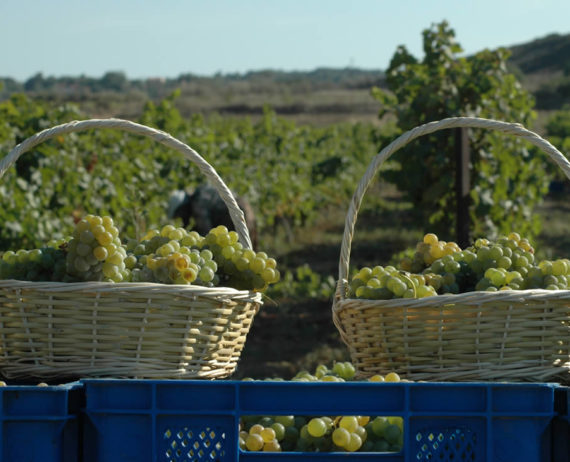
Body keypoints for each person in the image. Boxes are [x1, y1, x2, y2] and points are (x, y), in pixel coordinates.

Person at [168, 184, 258, 249]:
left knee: (239, 252)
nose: (182, 217)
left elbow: (207, 235)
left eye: (179, 214)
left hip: (235, 216)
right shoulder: (201, 191)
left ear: (183, 207)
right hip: (243, 208)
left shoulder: (198, 204)